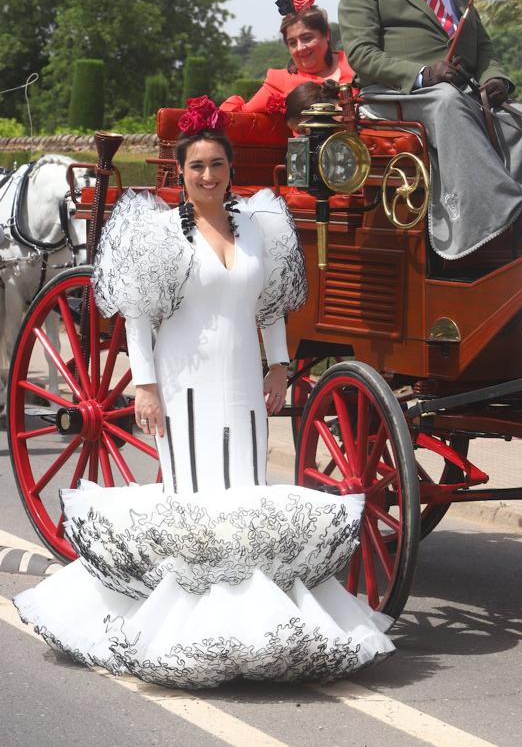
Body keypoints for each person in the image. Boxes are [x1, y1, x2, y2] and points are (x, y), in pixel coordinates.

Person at [14, 97, 394, 689]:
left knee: (246, 495)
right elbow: (138, 319)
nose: (208, 176)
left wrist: (278, 367)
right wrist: (144, 387)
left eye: (217, 165)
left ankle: (254, 626)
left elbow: (270, 306)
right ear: (182, 172)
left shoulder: (262, 227)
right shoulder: (160, 232)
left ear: (229, 169)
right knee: (196, 504)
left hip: (245, 380)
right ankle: (182, 628)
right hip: (182, 380)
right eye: (197, 167)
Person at [338, 0, 522, 260]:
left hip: (460, 93)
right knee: (446, 101)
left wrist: (493, 77)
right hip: (396, 94)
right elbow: (362, 54)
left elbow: (482, 45)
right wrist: (422, 74)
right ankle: (496, 213)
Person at [221, 0, 354, 114]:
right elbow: (239, 115)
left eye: (307, 38)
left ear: (326, 34)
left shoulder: (356, 63)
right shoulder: (279, 81)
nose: (300, 48)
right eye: (292, 42)